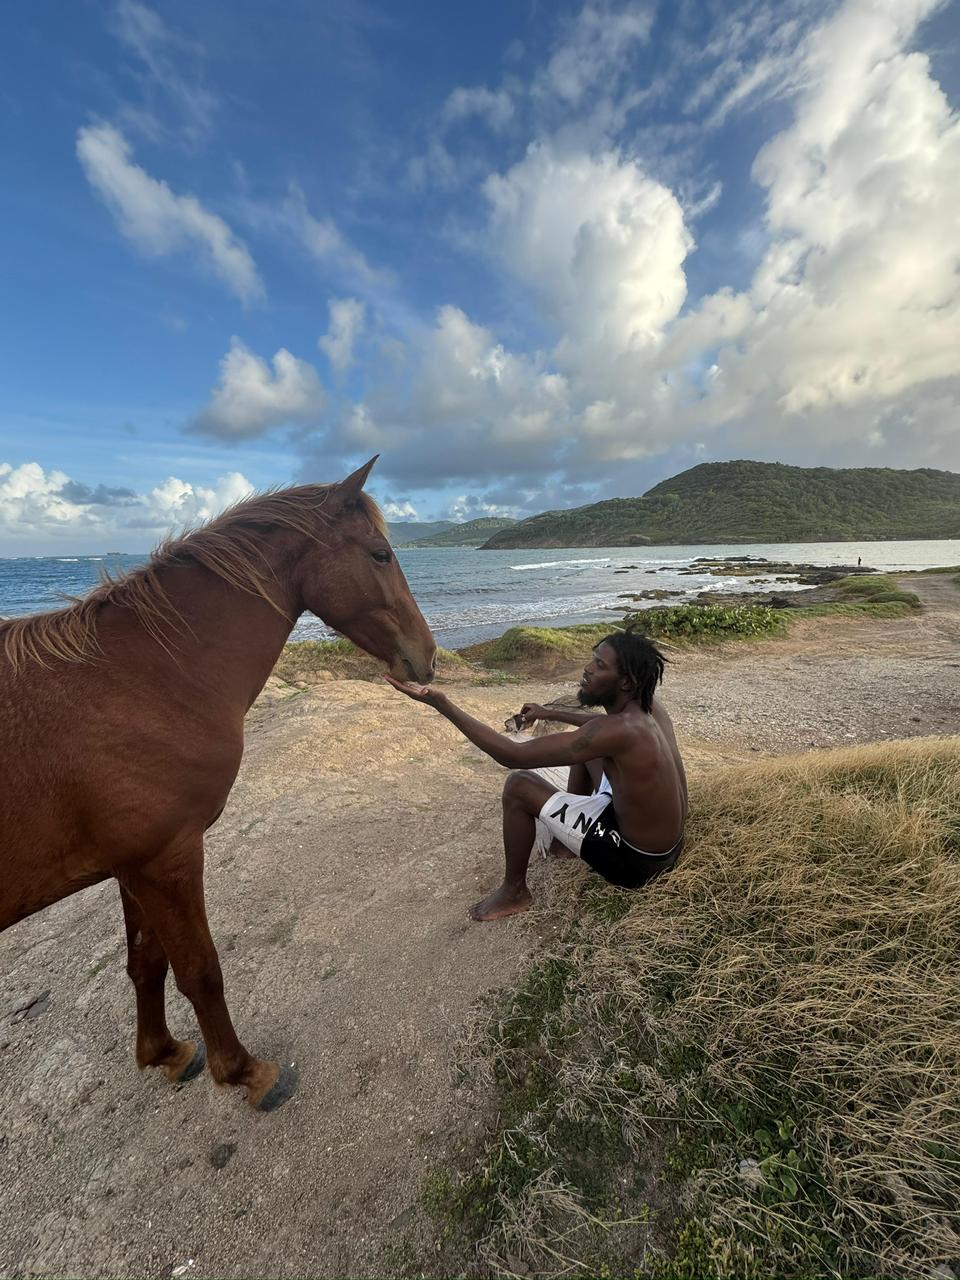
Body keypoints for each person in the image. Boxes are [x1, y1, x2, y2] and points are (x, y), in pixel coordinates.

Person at [384, 627, 687, 921]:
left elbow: (511, 755)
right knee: (585, 751)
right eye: (593, 658)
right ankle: (565, 846)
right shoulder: (648, 711)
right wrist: (549, 713)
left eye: (599, 665)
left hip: (637, 863)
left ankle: (515, 892)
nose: (587, 669)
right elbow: (596, 726)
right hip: (667, 844)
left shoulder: (616, 732)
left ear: (625, 683)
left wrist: (441, 703)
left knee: (519, 785)